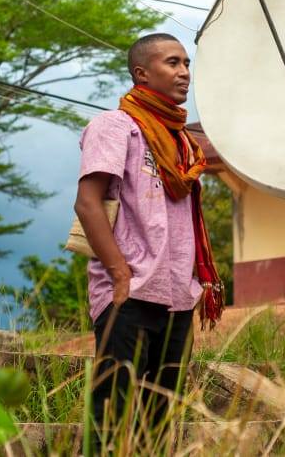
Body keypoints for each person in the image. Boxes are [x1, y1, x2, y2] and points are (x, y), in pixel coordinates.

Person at [73, 32, 225, 440]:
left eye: (187, 64)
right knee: (113, 418)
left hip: (177, 297)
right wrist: (120, 274)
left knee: (159, 423)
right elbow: (88, 204)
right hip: (130, 292)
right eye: (172, 63)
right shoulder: (115, 126)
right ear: (142, 73)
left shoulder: (182, 144)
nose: (184, 73)